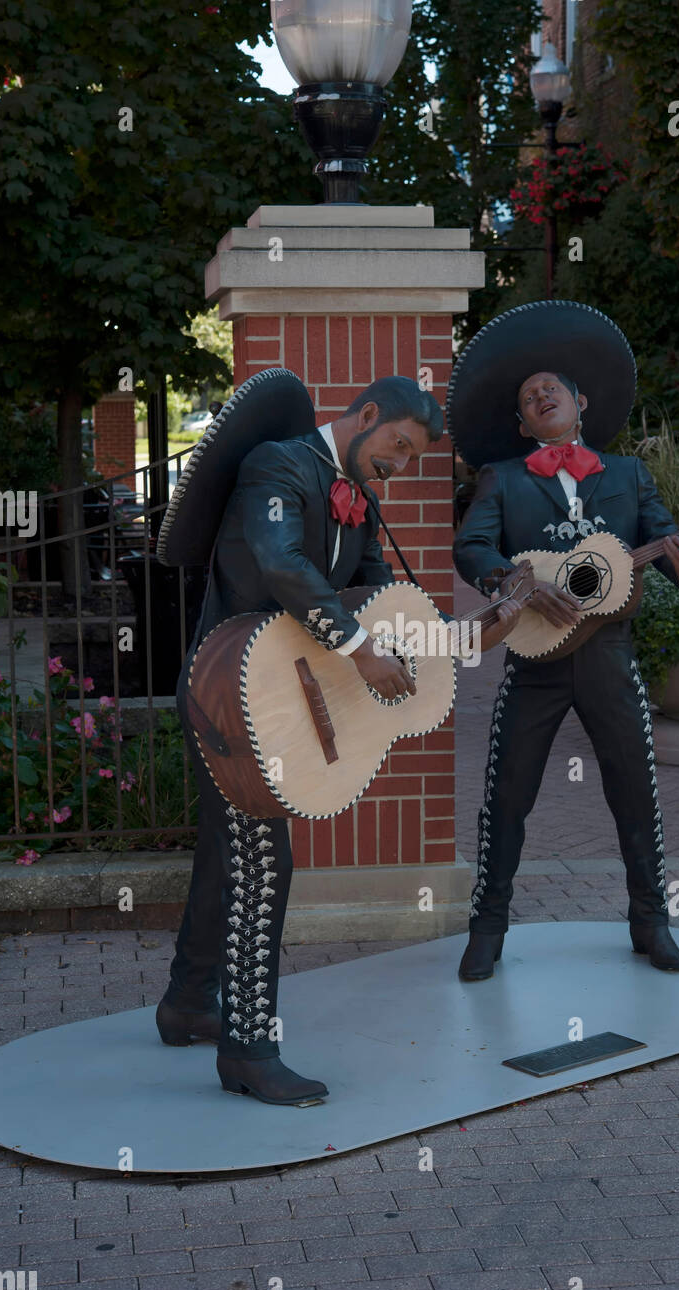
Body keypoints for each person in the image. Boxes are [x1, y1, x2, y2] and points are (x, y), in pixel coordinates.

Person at [155, 372, 521, 1105]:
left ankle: (188, 1000)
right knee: (264, 864)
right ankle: (248, 1051)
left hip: (277, 695)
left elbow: (379, 599)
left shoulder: (358, 502)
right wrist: (358, 649)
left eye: (415, 459)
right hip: (230, 693)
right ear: (366, 416)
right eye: (398, 446)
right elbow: (278, 563)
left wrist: (462, 636)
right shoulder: (279, 463)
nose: (401, 465)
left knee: (225, 851)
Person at [449, 301, 679, 982]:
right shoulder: (502, 479)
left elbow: (671, 544)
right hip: (533, 656)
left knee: (634, 789)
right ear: (520, 422)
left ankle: (650, 922)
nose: (540, 396)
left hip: (608, 654)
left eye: (551, 389)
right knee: (506, 795)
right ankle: (487, 928)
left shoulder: (628, 475)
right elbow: (470, 544)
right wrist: (512, 580)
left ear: (579, 402)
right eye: (528, 397)